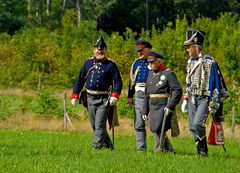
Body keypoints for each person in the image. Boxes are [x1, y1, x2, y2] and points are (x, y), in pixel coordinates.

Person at [181, 29, 230, 156]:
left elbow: (215, 85)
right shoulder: (190, 62)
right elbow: (189, 82)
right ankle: (200, 151)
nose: (187, 50)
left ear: (196, 46)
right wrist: (186, 98)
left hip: (205, 98)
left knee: (198, 123)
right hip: (193, 97)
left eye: (189, 47)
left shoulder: (209, 62)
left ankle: (203, 150)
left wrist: (214, 104)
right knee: (192, 126)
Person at [71, 36, 123, 150]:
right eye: (98, 49)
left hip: (104, 99)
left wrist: (115, 95)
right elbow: (80, 80)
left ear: (106, 50)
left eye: (102, 49)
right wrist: (75, 95)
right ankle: (109, 147)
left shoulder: (111, 65)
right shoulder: (88, 63)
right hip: (89, 98)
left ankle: (96, 149)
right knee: (95, 126)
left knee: (99, 125)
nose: (100, 51)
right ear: (94, 50)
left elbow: (118, 81)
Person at [142, 51, 182, 153]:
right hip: (152, 105)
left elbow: (177, 90)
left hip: (163, 105)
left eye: (152, 62)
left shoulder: (168, 73)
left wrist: (170, 105)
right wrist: (144, 110)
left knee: (158, 128)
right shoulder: (151, 73)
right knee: (155, 129)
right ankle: (169, 150)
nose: (150, 64)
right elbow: (147, 93)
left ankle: (158, 150)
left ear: (159, 61)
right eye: (149, 62)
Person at [127, 40, 152, 151]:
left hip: (152, 96)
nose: (139, 53)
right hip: (139, 96)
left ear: (148, 49)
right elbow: (131, 81)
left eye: (141, 50)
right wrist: (130, 96)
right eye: (138, 51)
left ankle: (164, 148)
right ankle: (141, 150)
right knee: (139, 124)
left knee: (155, 125)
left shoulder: (154, 61)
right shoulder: (136, 63)